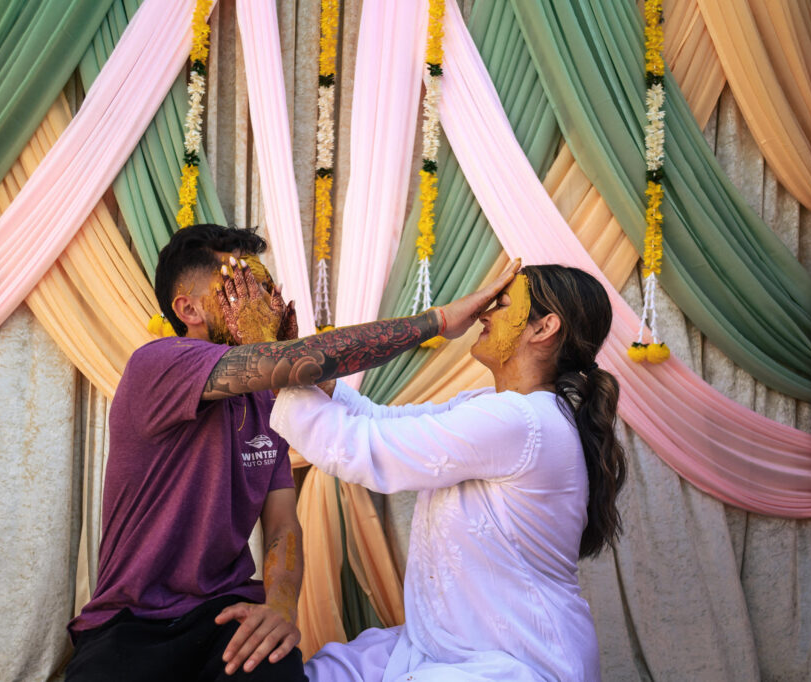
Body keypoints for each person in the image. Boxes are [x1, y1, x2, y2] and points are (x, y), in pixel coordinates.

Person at [65, 224, 517, 681]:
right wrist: (436, 322)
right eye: (240, 283)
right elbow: (310, 358)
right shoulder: (158, 363)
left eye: (265, 284)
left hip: (226, 613)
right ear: (189, 308)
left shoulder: (270, 401)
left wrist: (280, 607)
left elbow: (281, 526)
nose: (266, 298)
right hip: (131, 622)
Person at [268, 264, 628, 681]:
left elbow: (368, 448)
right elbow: (381, 420)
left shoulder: (521, 420)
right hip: (445, 647)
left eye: (503, 304)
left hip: (517, 661)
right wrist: (289, 358)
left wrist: (270, 366)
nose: (485, 315)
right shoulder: (497, 406)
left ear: (544, 328)